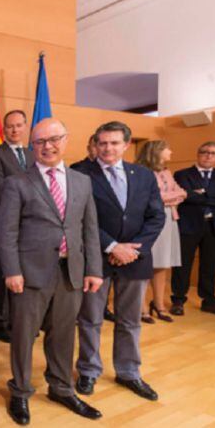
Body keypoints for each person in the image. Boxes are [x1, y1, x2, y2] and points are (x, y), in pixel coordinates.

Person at [0, 118, 103, 425]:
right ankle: (20, 391)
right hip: (29, 273)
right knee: (23, 335)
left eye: (54, 139)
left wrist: (94, 269)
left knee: (63, 334)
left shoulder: (82, 181)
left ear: (65, 140)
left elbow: (90, 229)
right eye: (40, 141)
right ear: (33, 146)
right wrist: (11, 270)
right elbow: (7, 232)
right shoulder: (17, 182)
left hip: (71, 272)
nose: (48, 146)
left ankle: (61, 388)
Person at [74, 121, 165, 402]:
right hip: (95, 259)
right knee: (90, 319)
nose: (107, 148)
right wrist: (113, 246)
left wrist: (134, 250)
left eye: (114, 143)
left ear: (126, 145)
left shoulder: (144, 175)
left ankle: (128, 372)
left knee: (130, 320)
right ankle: (88, 370)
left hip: (135, 260)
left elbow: (156, 216)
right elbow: (78, 218)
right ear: (95, 144)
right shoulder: (79, 173)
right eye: (102, 143)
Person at [0, 110, 35, 342]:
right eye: (10, 126)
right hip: (7, 224)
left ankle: (19, 321)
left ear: (25, 127)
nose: (14, 130)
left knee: (26, 274)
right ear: (4, 129)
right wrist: (31, 204)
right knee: (3, 275)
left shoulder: (33, 154)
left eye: (18, 125)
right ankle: (1, 323)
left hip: (32, 227)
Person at [171, 142, 215, 317]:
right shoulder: (182, 174)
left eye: (214, 153)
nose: (209, 156)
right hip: (188, 225)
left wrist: (204, 192)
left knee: (210, 265)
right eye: (205, 152)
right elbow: (187, 196)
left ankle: (209, 301)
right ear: (198, 153)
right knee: (183, 264)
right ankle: (178, 300)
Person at [135, 140, 186, 323]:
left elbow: (183, 192)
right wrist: (174, 197)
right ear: (156, 151)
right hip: (149, 220)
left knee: (162, 264)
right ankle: (141, 308)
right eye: (167, 149)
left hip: (169, 219)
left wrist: (171, 197)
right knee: (145, 264)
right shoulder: (141, 172)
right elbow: (152, 197)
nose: (171, 151)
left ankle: (158, 304)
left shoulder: (166, 172)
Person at [72, 133, 116, 323]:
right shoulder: (78, 171)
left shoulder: (115, 171)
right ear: (90, 147)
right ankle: (81, 313)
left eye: (111, 143)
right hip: (87, 233)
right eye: (97, 144)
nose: (102, 149)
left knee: (105, 277)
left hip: (112, 235)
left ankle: (103, 307)